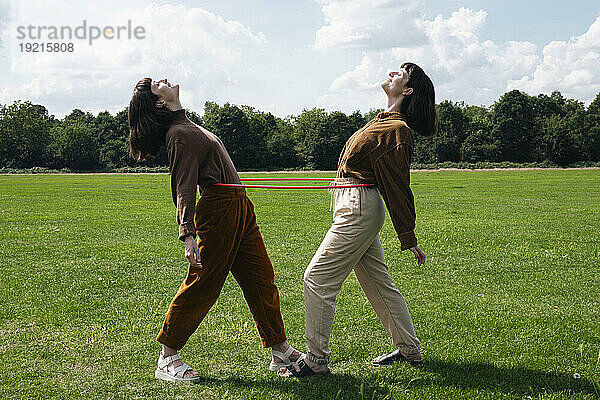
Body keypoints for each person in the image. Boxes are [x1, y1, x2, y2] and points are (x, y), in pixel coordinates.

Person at [128, 78, 303, 382]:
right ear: (159, 102)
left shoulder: (188, 125)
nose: (164, 81)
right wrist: (187, 233)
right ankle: (167, 358)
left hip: (239, 206)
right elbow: (183, 187)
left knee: (261, 279)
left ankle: (280, 350)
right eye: (158, 85)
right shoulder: (179, 134)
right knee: (203, 283)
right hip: (220, 208)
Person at [280, 63, 437, 378]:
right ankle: (409, 349)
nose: (392, 72)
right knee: (379, 284)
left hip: (359, 208)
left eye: (401, 74)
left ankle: (315, 361)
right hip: (352, 204)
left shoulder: (398, 130)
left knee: (317, 280)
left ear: (407, 90)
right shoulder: (384, 122)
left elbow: (398, 185)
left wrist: (409, 237)